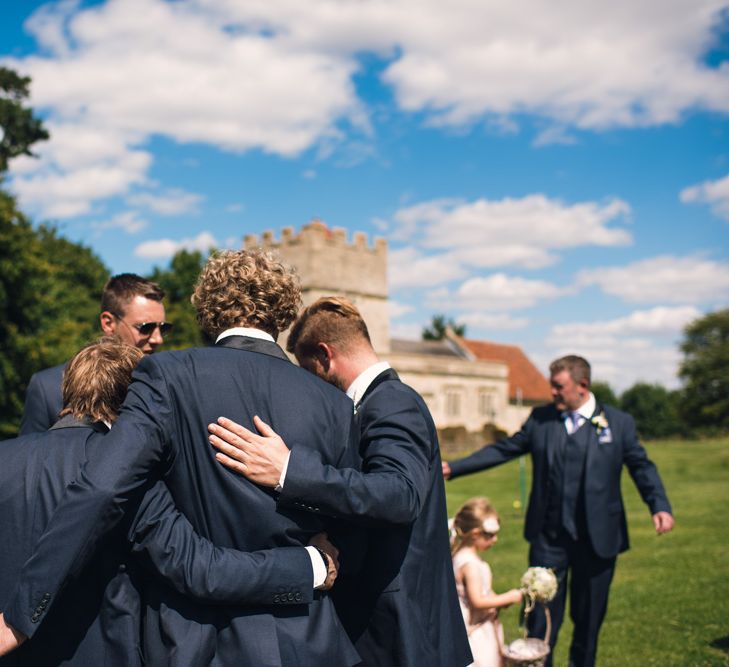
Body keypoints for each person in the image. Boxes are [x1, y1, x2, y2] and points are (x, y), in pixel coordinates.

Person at [0, 250, 360, 666]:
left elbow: (103, 485)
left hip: (197, 640)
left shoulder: (167, 375)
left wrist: (23, 614)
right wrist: (315, 562)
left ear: (207, 308)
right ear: (283, 313)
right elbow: (350, 528)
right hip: (308, 638)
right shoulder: (333, 403)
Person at [207, 296, 473, 667]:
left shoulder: (391, 402)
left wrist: (289, 470)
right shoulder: (378, 402)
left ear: (324, 356)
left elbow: (399, 495)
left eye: (305, 368)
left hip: (400, 627)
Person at [442, 355, 674, 667]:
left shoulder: (618, 423)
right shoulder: (541, 420)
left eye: (558, 386)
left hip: (598, 541)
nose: (552, 392)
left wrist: (658, 504)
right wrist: (454, 467)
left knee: (588, 622)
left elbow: (641, 466)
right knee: (540, 621)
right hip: (549, 539)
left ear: (583, 386)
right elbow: (504, 449)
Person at [20, 273, 172, 435]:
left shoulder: (165, 385)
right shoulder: (48, 387)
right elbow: (31, 455)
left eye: (163, 328)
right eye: (145, 327)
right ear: (108, 323)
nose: (158, 339)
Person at [451, 498, 522, 667]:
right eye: (490, 535)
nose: (495, 540)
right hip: (477, 633)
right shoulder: (471, 565)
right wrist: (510, 597)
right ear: (475, 534)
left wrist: (496, 599)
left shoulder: (458, 555)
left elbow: (480, 593)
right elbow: (477, 601)